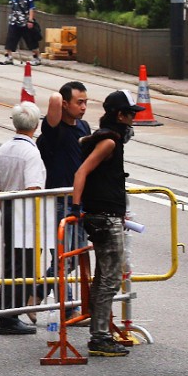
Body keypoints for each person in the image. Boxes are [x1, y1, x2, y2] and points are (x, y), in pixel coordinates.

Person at [71, 90, 145, 358]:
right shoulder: (110, 141)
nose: (133, 121)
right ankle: (99, 337)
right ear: (119, 115)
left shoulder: (106, 138)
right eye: (130, 115)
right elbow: (82, 171)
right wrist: (77, 207)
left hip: (105, 213)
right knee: (110, 279)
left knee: (104, 277)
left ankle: (100, 333)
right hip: (103, 216)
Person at [0, 102, 50, 336]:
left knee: (12, 266)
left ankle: (8, 315)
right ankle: (9, 317)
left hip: (8, 210)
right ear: (36, 126)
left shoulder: (4, 148)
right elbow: (33, 187)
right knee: (24, 267)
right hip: (26, 215)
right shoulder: (31, 153)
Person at [38, 82, 91, 302]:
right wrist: (60, 98)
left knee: (74, 256)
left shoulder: (84, 127)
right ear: (65, 104)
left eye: (86, 102)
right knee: (63, 257)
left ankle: (37, 293)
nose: (84, 107)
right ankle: (66, 306)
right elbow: (54, 99)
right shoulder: (54, 129)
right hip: (59, 201)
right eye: (79, 102)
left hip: (79, 200)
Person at [0, 0, 41, 66]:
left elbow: (31, 6)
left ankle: (36, 57)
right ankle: (8, 57)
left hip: (25, 21)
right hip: (14, 20)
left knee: (31, 40)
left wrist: (30, 20)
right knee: (10, 39)